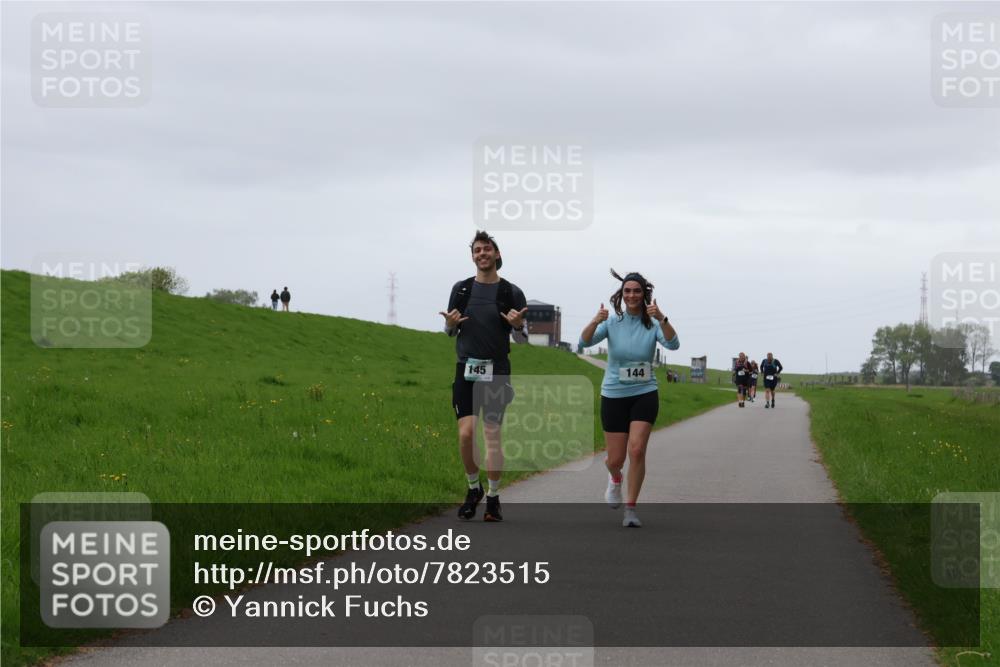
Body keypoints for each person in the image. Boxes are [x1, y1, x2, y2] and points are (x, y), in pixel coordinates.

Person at [580, 269, 679, 528]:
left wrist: (663, 317)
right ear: (621, 295)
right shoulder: (613, 322)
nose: (632, 295)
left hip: (644, 392)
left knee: (636, 450)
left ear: (644, 294)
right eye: (627, 291)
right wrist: (595, 320)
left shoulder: (654, 322)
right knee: (615, 460)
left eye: (636, 291)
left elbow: (673, 345)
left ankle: (631, 508)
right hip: (614, 394)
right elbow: (584, 341)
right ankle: (615, 478)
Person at [440, 231, 528, 522]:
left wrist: (517, 326)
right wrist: (449, 326)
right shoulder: (461, 289)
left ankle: (492, 497)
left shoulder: (511, 292)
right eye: (477, 250)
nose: (482, 254)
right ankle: (473, 488)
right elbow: (451, 330)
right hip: (465, 369)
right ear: (473, 256)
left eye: (487, 249)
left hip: (497, 371)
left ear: (497, 254)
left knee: (491, 435)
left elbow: (524, 341)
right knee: (466, 434)